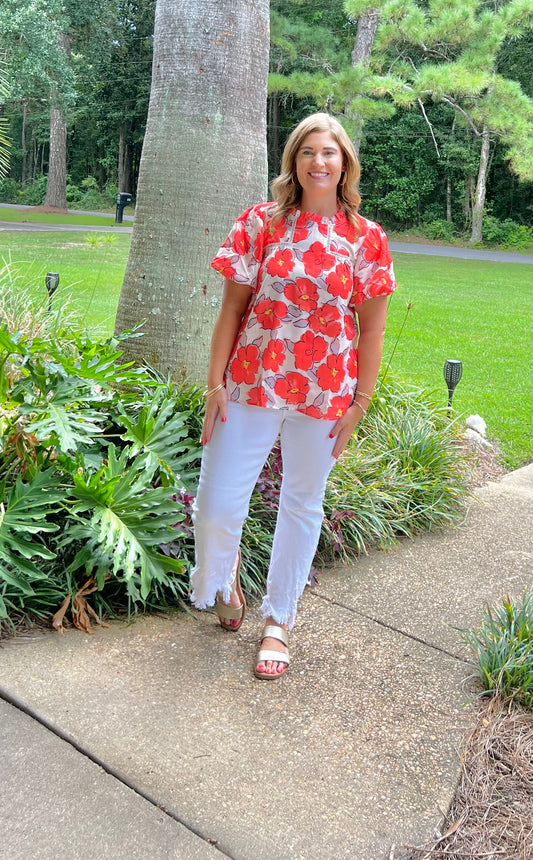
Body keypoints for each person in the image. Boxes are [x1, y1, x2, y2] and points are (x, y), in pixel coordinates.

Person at [190, 112, 396, 680]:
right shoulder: (261, 223)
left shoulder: (365, 238)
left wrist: (361, 401)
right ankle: (223, 578)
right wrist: (215, 384)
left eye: (329, 152)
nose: (318, 162)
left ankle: (279, 619)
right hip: (252, 381)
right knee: (215, 503)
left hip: (325, 391)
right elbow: (231, 309)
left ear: (345, 163)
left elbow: (372, 329)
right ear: (293, 162)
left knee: (302, 502)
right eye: (307, 152)